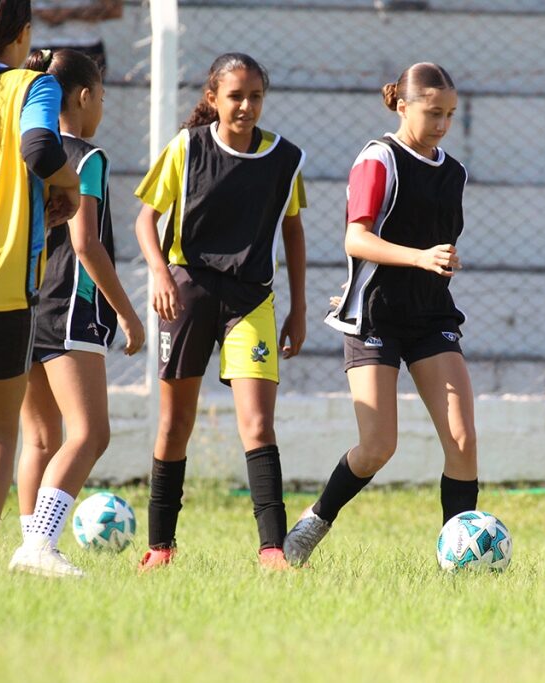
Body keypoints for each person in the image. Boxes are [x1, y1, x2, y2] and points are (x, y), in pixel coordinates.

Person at [282, 62, 477, 566]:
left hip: (430, 316)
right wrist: (418, 258)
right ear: (402, 106)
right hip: (374, 318)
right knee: (377, 446)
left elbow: (433, 243)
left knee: (461, 440)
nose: (442, 124)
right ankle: (315, 520)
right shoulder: (379, 159)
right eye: (433, 113)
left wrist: (441, 260)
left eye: (450, 114)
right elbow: (356, 238)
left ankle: (461, 559)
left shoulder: (454, 172)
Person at [134, 52, 307, 572]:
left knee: (258, 424)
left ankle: (272, 549)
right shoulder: (187, 147)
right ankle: (160, 546)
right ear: (213, 98)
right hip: (187, 291)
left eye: (256, 96)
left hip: (251, 299)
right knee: (175, 423)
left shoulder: (284, 158)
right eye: (235, 96)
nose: (246, 106)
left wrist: (298, 306)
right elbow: (146, 220)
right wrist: (161, 273)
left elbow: (293, 230)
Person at [6, 48, 144, 578]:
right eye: (102, 96)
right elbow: (86, 243)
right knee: (90, 433)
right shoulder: (86, 158)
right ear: (85, 96)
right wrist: (127, 314)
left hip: (24, 302)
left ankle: (30, 548)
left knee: (40, 437)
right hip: (70, 307)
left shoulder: (20, 151)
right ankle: (40, 546)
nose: (101, 106)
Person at [0, 0, 80, 569]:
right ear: (22, 34)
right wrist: (69, 184)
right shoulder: (31, 85)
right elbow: (40, 147)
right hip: (0, 282)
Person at [31, 0, 122, 76]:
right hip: (41, 45)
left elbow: (115, 10)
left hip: (85, 45)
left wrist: (64, 13)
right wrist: (36, 12)